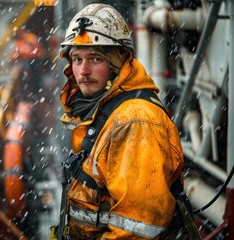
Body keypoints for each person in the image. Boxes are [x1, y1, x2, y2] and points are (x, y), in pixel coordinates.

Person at [57, 4, 188, 239]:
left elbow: (137, 229)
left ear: (117, 63)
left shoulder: (135, 121)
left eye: (95, 58)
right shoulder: (105, 112)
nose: (83, 71)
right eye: (77, 59)